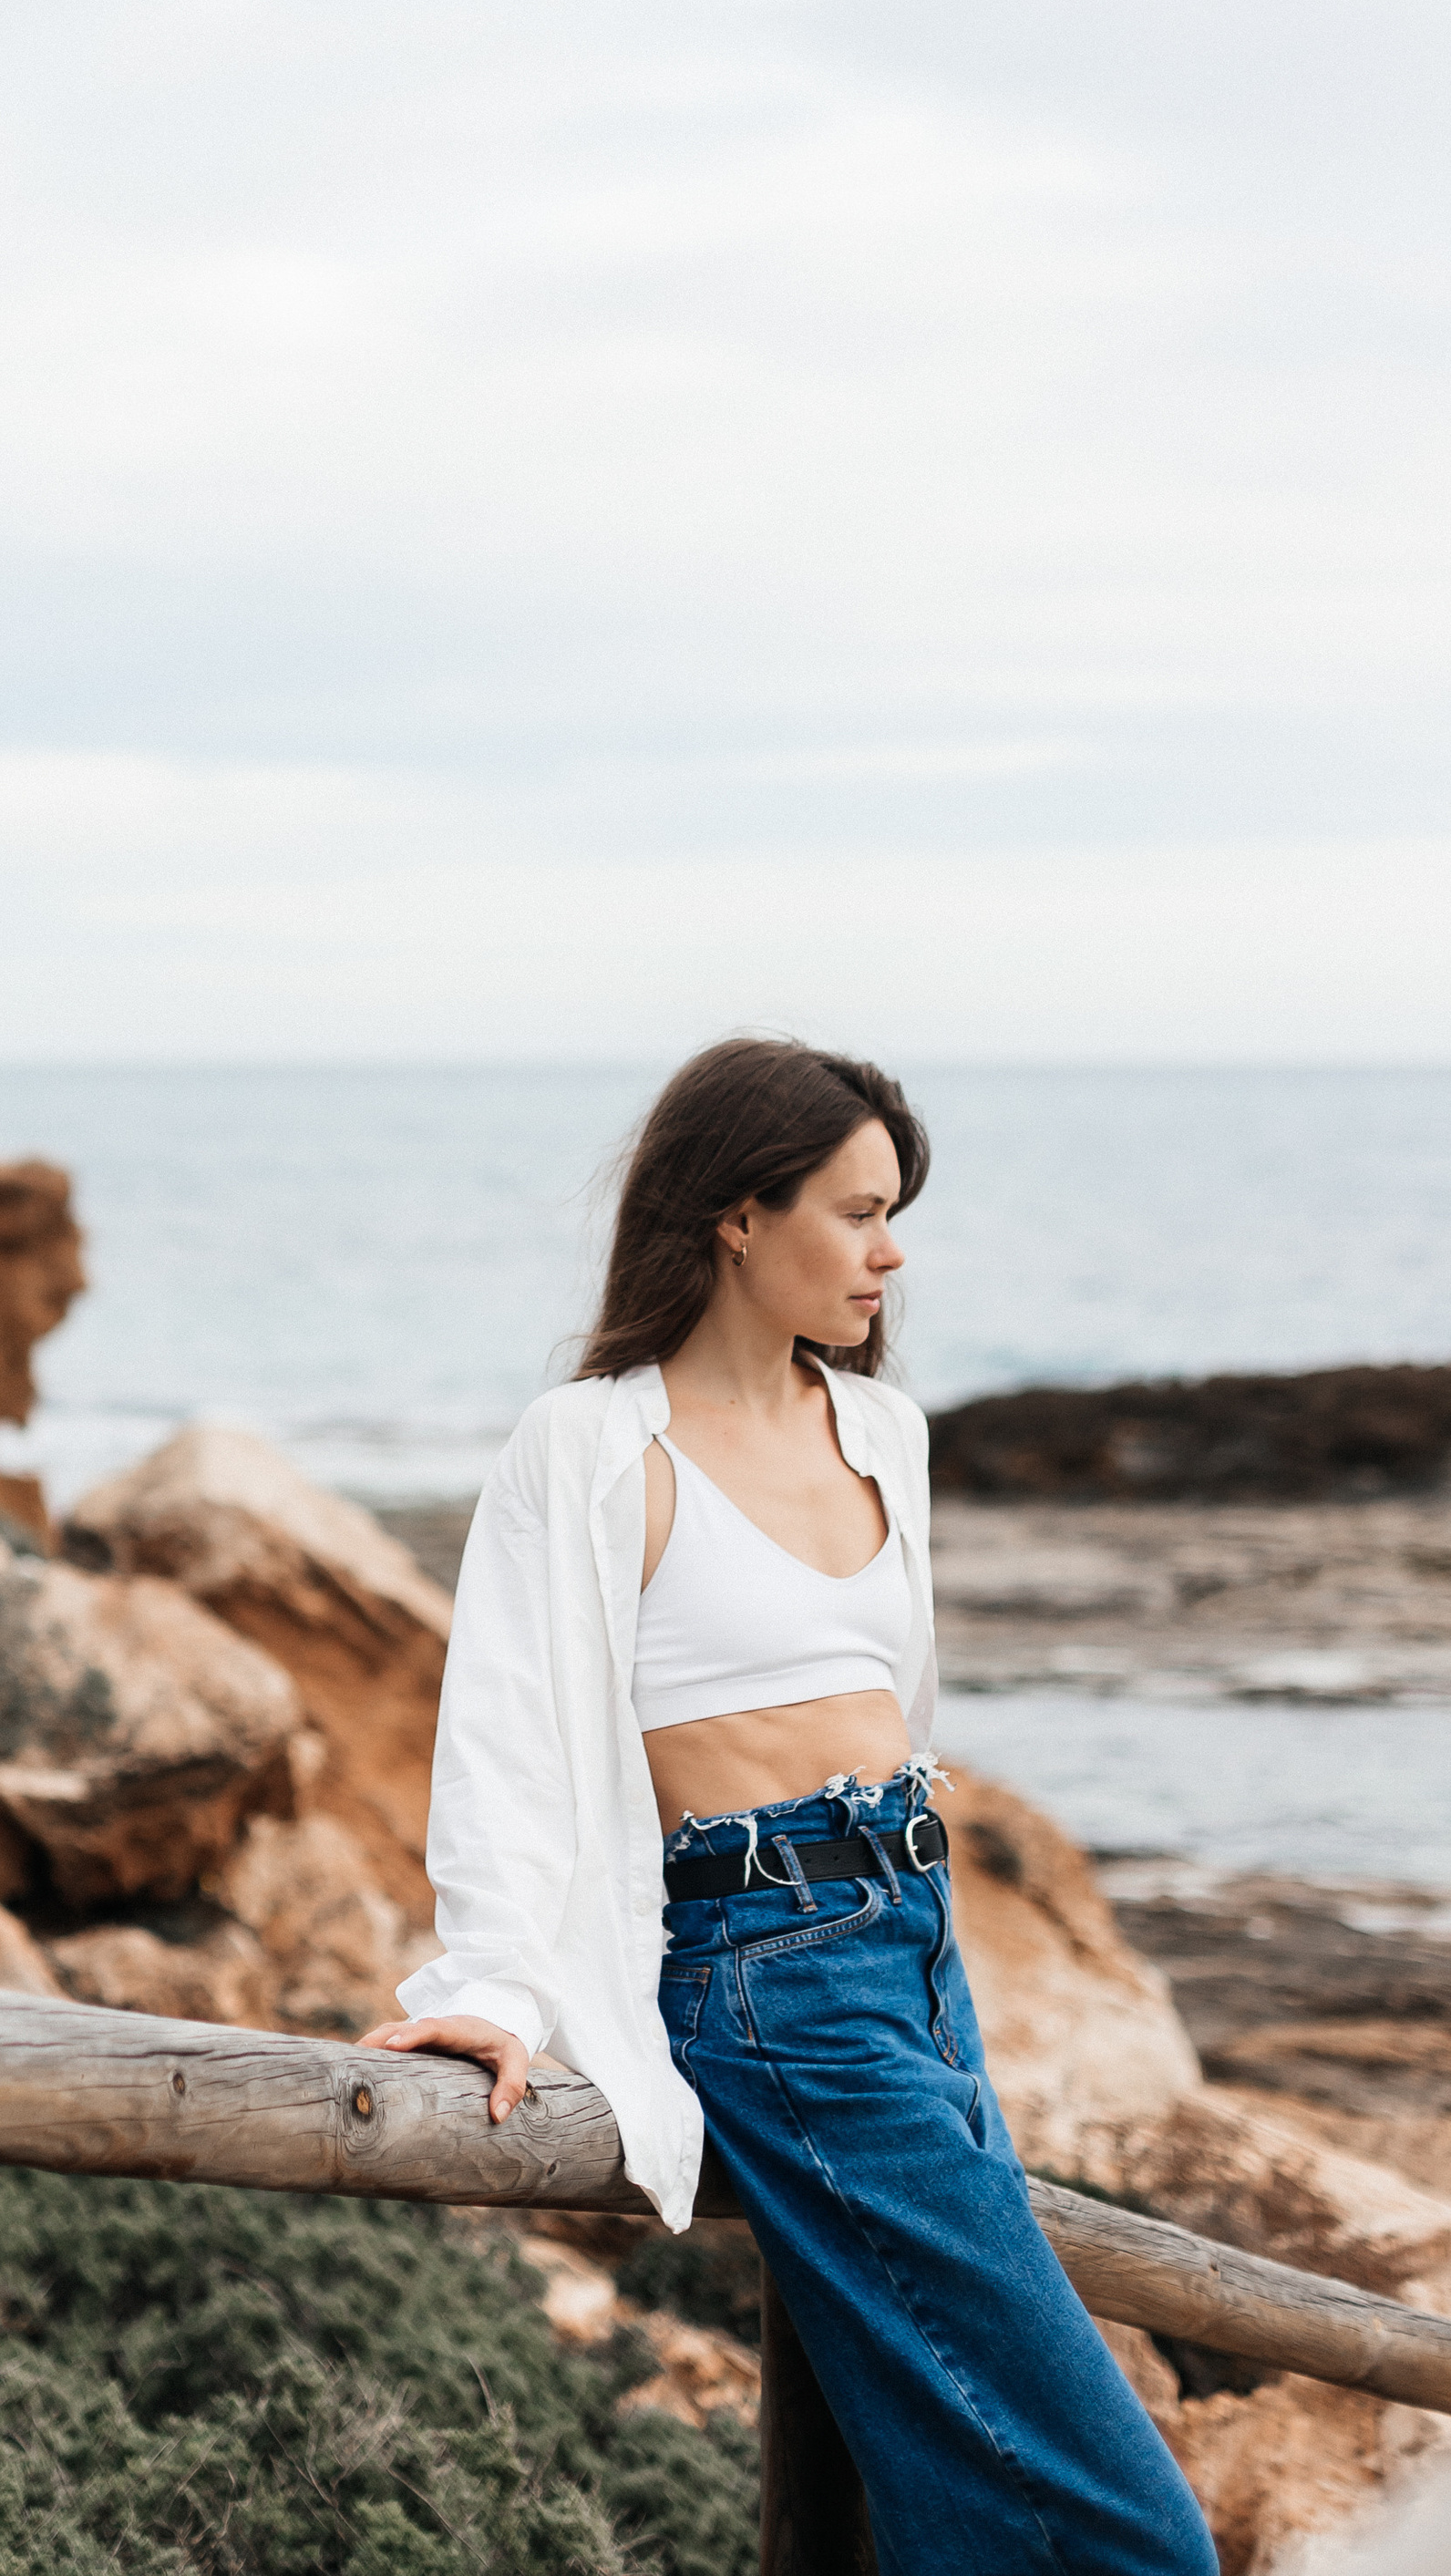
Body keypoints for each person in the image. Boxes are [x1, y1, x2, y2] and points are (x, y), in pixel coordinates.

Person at [363, 1036, 1216, 2576]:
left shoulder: (884, 1432)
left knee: (946, 2498)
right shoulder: (595, 1446)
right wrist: (491, 1986)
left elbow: (901, 1707)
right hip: (773, 1978)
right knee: (1133, 2532)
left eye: (896, 1214)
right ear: (738, 1218)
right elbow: (505, 1738)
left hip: (922, 1944)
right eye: (858, 1212)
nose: (893, 1253)